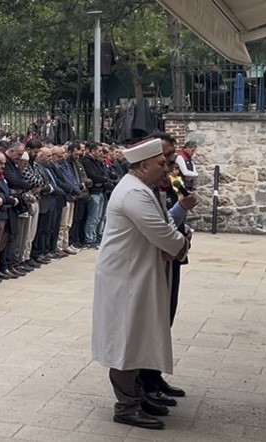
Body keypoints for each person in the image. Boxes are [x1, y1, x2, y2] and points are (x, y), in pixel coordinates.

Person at [91, 138, 189, 430]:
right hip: (126, 277)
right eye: (161, 164)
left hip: (137, 273)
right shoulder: (133, 192)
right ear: (143, 165)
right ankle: (126, 405)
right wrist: (181, 244)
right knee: (127, 337)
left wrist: (176, 240)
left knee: (140, 333)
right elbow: (162, 232)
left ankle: (139, 395)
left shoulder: (142, 188)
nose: (167, 168)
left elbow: (165, 226)